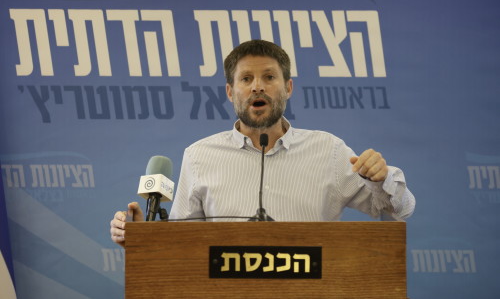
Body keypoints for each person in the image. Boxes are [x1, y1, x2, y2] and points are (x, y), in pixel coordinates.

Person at [110, 40, 415, 247]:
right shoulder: (200, 156)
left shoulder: (329, 151)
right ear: (231, 92)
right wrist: (144, 237)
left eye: (269, 77)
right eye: (246, 79)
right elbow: (179, 246)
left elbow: (396, 212)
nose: (257, 85)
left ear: (288, 87)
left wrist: (381, 178)